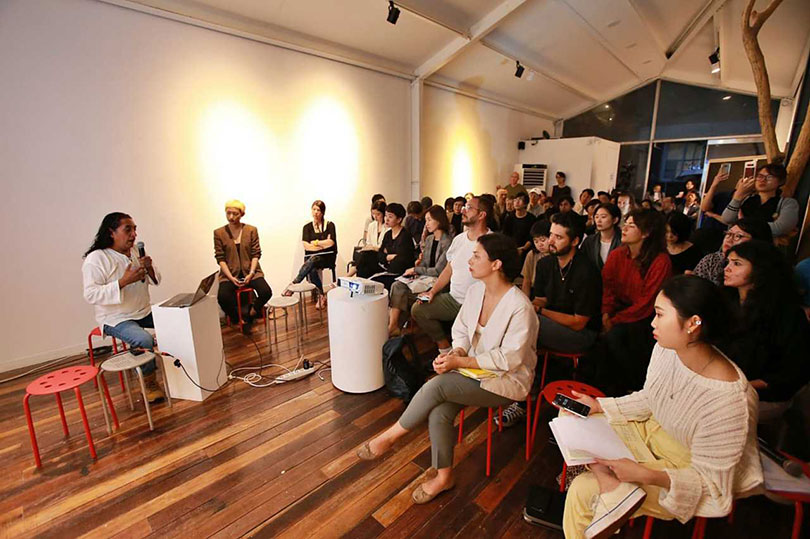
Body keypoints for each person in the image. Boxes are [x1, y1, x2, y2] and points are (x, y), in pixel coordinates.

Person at [563, 275, 762, 538]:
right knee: (573, 417)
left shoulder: (728, 400)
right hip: (648, 434)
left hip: (679, 467)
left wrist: (646, 475)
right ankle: (610, 484)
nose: (652, 322)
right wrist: (599, 406)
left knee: (581, 491)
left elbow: (710, 483)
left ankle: (609, 489)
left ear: (693, 323)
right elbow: (651, 397)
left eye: (659, 314)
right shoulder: (667, 347)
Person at [357, 233, 538, 504]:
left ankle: (390, 436)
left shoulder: (520, 307)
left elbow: (508, 359)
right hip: (474, 370)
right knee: (440, 411)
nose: (470, 260)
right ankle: (444, 477)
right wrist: (459, 351)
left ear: (496, 264)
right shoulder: (477, 291)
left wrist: (459, 362)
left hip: (506, 380)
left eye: (477, 255)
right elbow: (461, 328)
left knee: (439, 385)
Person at [83, 212, 165, 401]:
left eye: (135, 229)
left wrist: (150, 267)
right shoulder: (96, 259)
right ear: (111, 232)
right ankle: (148, 382)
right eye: (128, 229)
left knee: (178, 319)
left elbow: (156, 279)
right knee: (144, 340)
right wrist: (123, 282)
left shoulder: (136, 251)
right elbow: (90, 294)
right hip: (117, 318)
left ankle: (183, 369)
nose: (134, 234)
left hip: (143, 310)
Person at [722, 241, 810, 418]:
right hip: (723, 384)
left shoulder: (787, 315)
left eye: (737, 263)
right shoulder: (725, 302)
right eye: (728, 262)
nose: (727, 268)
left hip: (764, 395)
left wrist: (739, 387)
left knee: (710, 410)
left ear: (760, 271)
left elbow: (790, 375)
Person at [600, 209, 672, 394]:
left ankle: (632, 389)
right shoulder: (617, 255)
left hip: (645, 316)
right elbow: (607, 287)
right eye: (625, 224)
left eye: (631, 226)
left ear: (646, 233)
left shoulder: (660, 261)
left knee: (619, 337)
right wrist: (606, 313)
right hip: (617, 310)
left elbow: (647, 303)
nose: (624, 228)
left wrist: (614, 320)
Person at [411, 196, 492, 353]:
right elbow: (449, 269)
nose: (463, 210)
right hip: (453, 299)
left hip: (479, 305)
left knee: (471, 347)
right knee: (418, 309)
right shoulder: (459, 240)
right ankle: (444, 347)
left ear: (481, 215)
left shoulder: (491, 242)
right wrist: (432, 291)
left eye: (468, 208)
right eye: (464, 207)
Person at [388, 205, 451, 334]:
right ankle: (393, 325)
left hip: (438, 283)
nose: (426, 224)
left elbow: (439, 271)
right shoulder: (429, 239)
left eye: (429, 220)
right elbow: (425, 263)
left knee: (402, 293)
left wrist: (416, 269)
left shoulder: (448, 242)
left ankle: (395, 328)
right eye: (426, 220)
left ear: (439, 220)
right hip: (425, 278)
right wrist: (418, 268)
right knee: (397, 286)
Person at [214, 200, 273, 332]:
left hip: (251, 271)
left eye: (235, 214)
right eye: (228, 213)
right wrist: (230, 277)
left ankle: (251, 312)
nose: (231, 217)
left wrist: (251, 273)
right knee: (222, 297)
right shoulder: (219, 233)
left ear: (242, 214)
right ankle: (238, 318)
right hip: (229, 273)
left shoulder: (251, 230)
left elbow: (256, 254)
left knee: (266, 291)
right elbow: (220, 258)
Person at [722, 163, 799, 242]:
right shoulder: (746, 199)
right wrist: (737, 197)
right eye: (760, 176)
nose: (763, 180)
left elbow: (781, 228)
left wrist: (744, 224)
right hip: (735, 245)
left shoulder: (787, 203)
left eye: (769, 177)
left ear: (780, 181)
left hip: (763, 249)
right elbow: (727, 219)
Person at [284, 200, 336, 310]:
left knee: (313, 260)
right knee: (312, 265)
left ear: (322, 212)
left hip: (327, 257)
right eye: (314, 209)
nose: (316, 212)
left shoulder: (330, 225)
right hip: (312, 258)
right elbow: (306, 246)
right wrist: (322, 244)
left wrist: (316, 243)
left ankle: (293, 284)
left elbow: (331, 243)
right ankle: (321, 296)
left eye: (318, 210)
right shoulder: (307, 227)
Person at [692, 219, 772, 286]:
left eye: (738, 236)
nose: (729, 239)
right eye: (728, 234)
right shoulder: (712, 260)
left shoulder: (767, 273)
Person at [373, 203, 415, 289]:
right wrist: (389, 257)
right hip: (386, 269)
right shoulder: (388, 234)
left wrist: (386, 257)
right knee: (367, 258)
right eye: (385, 216)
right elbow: (380, 255)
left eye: (390, 217)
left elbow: (402, 260)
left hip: (400, 273)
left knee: (376, 283)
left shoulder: (405, 236)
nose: (386, 219)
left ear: (399, 219)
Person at [580, 202, 621, 271]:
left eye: (603, 217)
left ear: (615, 220)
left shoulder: (623, 241)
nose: (598, 220)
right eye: (596, 217)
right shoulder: (590, 241)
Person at [355, 199, 389, 277]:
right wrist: (370, 248)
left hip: (381, 257)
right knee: (364, 259)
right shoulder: (372, 225)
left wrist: (374, 248)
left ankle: (351, 275)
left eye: (378, 214)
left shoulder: (388, 228)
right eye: (373, 214)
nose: (375, 217)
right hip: (371, 256)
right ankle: (359, 280)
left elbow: (386, 248)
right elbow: (369, 242)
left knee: (364, 258)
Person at [502, 191, 536, 264]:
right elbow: (505, 235)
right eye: (515, 200)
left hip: (526, 249)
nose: (516, 202)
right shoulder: (509, 218)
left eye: (520, 200)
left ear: (525, 204)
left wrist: (523, 249)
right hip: (511, 249)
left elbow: (532, 236)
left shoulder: (531, 218)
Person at [520, 220, 551, 297]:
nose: (540, 244)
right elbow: (527, 281)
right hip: (534, 291)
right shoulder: (532, 254)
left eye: (543, 240)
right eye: (536, 241)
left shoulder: (558, 255)